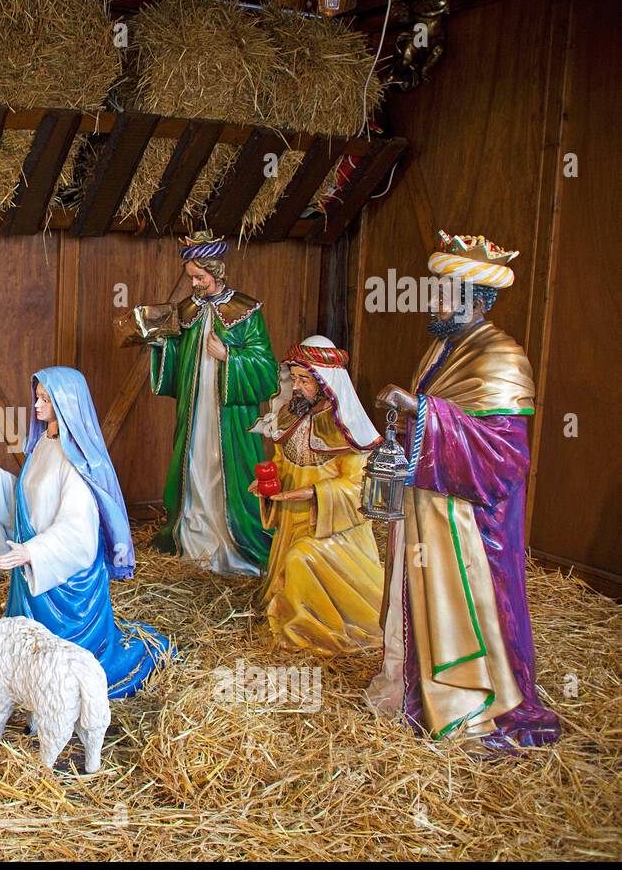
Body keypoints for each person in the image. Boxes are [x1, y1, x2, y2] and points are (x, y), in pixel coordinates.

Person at [366, 231, 561, 751]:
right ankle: (422, 687)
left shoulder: (501, 355)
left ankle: (475, 701)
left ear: (475, 296)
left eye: (443, 291)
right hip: (431, 502)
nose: (432, 299)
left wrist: (418, 411)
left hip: (471, 524)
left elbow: (504, 454)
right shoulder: (444, 345)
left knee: (469, 608)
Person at [0, 367, 173, 698]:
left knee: (59, 668)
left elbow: (78, 532)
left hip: (63, 582)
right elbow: (30, 500)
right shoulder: (44, 444)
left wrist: (34, 552)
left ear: (66, 403)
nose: (37, 405)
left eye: (46, 399)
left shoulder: (78, 463)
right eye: (38, 397)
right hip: (35, 570)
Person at [145, 232, 278, 574]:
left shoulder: (246, 311)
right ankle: (194, 536)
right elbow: (178, 355)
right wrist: (160, 344)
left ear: (217, 273)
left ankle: (234, 541)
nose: (195, 283)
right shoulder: (188, 310)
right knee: (194, 465)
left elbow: (266, 368)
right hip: (194, 412)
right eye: (191, 277)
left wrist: (229, 356)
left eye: (199, 277)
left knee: (225, 470)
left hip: (229, 413)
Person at [249, 336, 384, 655]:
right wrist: (268, 482)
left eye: (304, 380)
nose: (296, 386)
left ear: (325, 383)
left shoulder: (345, 429)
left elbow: (358, 488)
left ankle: (306, 628)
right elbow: (283, 461)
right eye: (293, 378)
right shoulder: (292, 414)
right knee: (289, 561)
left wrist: (311, 493)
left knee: (301, 559)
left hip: (332, 529)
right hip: (292, 523)